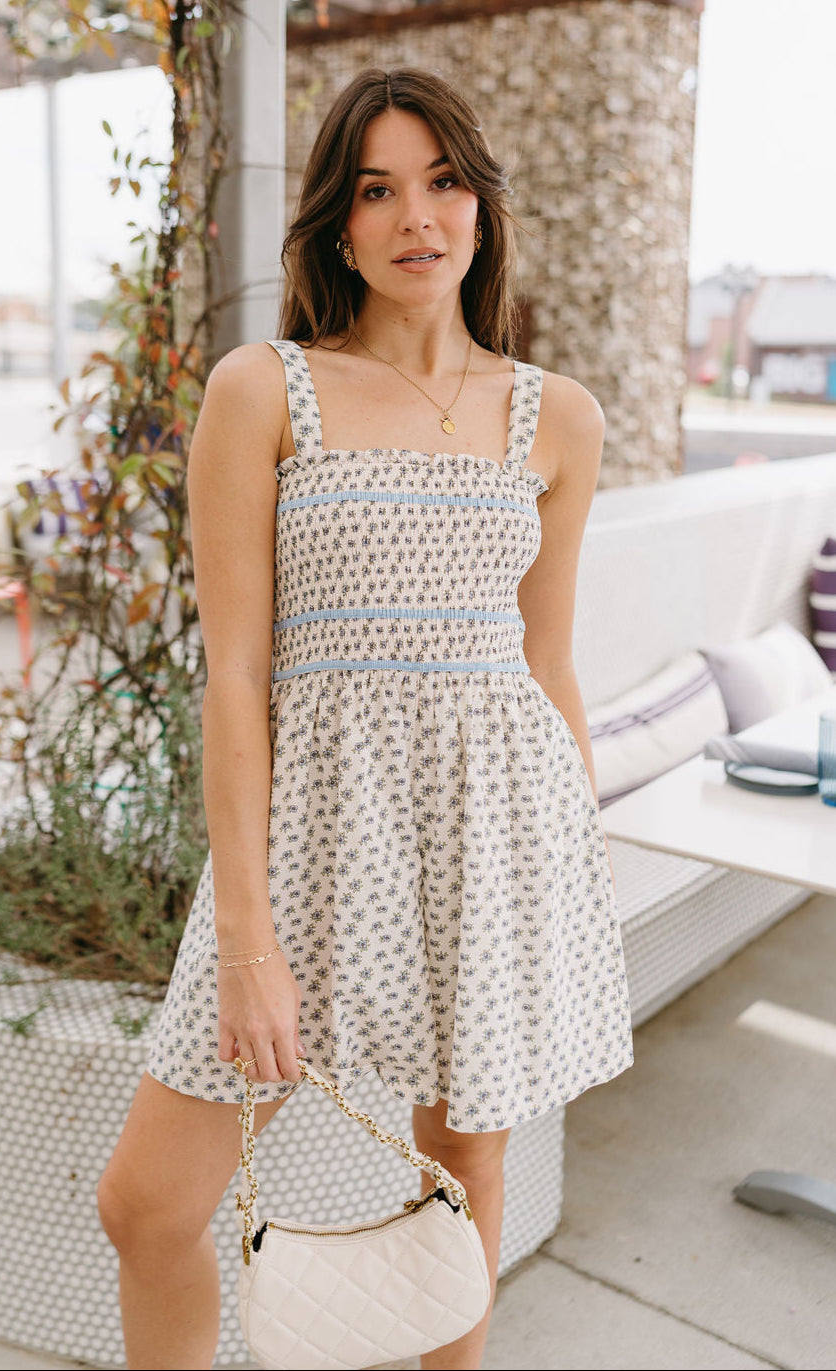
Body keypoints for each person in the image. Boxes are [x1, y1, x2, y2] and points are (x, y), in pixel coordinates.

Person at [97, 66, 634, 1371]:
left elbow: (544, 664)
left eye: (444, 181)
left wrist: (572, 873)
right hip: (310, 845)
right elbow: (233, 677)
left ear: (481, 207)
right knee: (149, 1207)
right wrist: (242, 940)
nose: (417, 217)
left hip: (493, 836)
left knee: (460, 1170)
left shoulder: (554, 417)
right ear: (338, 221)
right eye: (379, 188)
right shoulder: (264, 389)